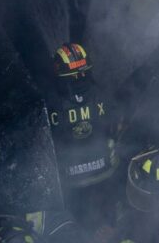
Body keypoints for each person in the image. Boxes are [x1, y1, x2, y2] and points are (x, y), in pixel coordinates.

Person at [46, 43, 124, 229]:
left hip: (73, 181)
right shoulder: (102, 95)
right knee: (109, 222)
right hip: (105, 172)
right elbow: (116, 126)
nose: (79, 79)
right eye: (76, 76)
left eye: (81, 75)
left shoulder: (51, 104)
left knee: (81, 226)